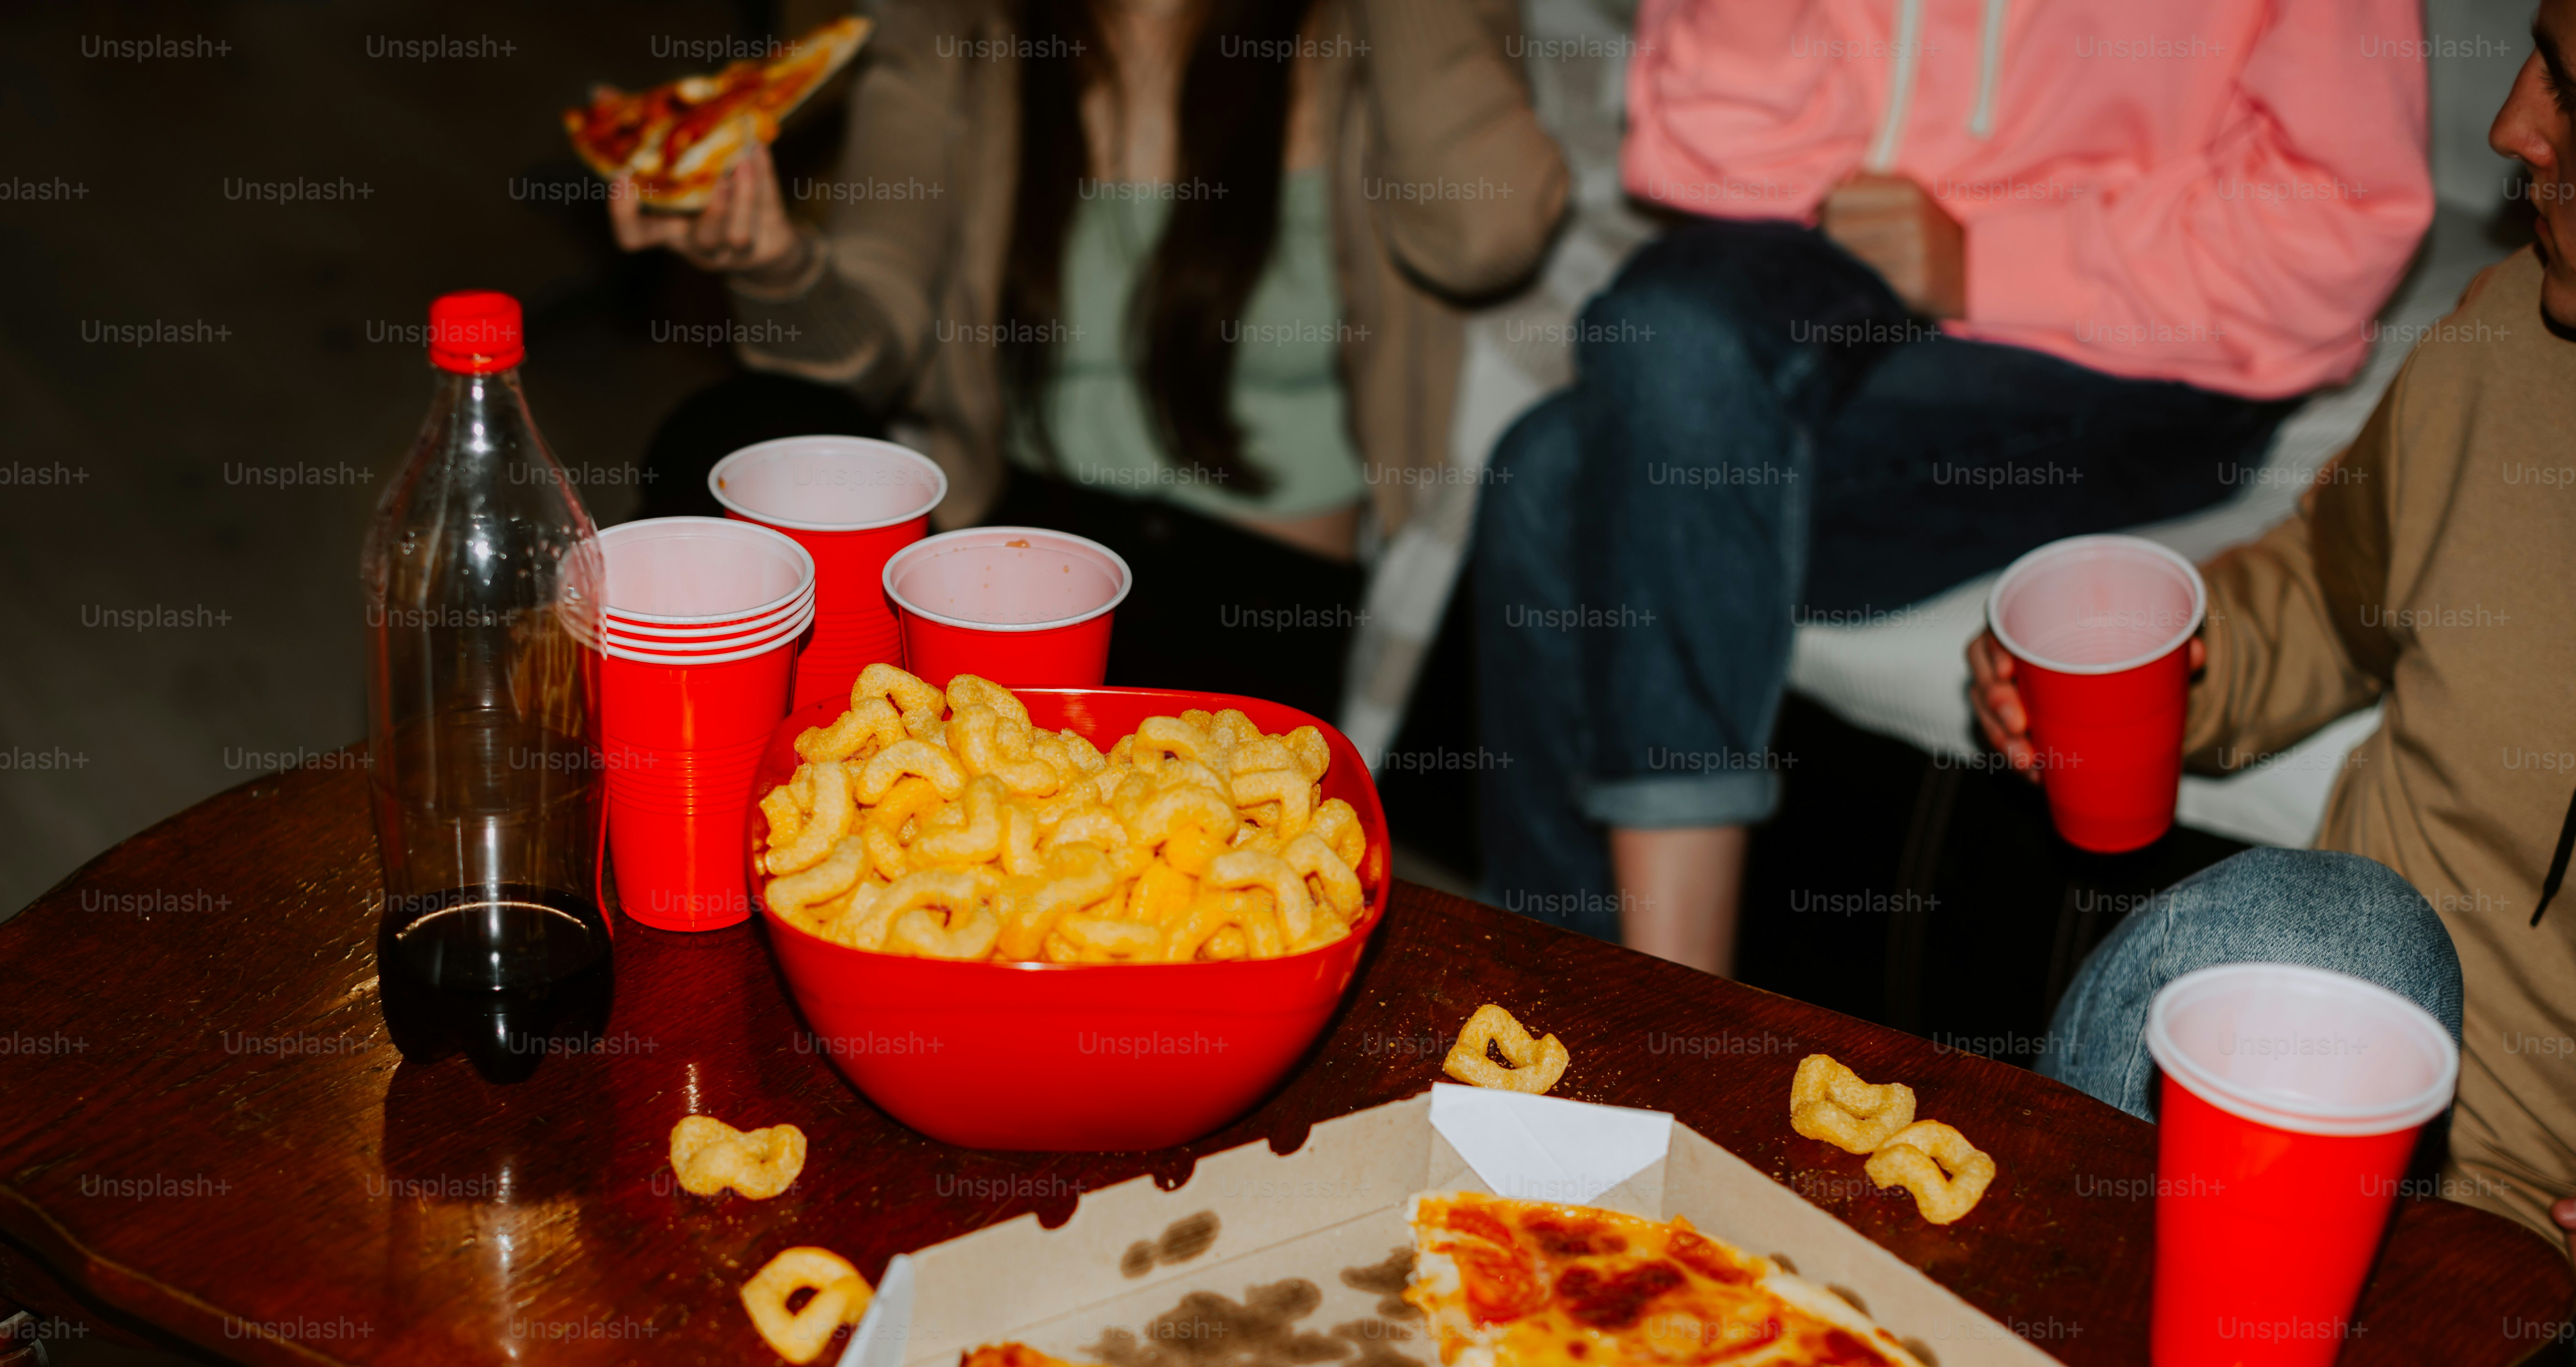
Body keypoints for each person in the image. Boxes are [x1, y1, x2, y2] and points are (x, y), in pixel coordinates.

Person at [1970, 1, 2576, 1367]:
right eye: (2528, 49)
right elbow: (2321, 584)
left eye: (2573, 85)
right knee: (2314, 925)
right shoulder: (2504, 349)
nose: (2507, 127)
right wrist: (2157, 668)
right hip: (2275, 1206)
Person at [1473, 0, 2433, 972]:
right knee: (1622, 385)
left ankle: (1643, 1010)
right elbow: (1715, 159)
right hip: (1849, 265)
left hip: (2152, 342)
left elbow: (2340, 218)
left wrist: (1989, 261)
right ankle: (1598, 1028)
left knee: (1554, 480)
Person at [610, 0, 1566, 721]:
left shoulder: (1366, 29)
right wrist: (776, 267)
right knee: (733, 435)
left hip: (1259, 591)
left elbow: (1487, 238)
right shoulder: (957, 30)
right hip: (1006, 559)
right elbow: (864, 339)